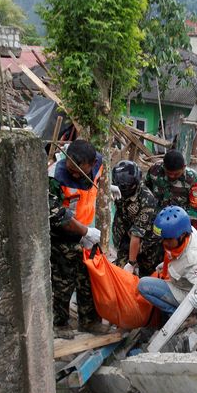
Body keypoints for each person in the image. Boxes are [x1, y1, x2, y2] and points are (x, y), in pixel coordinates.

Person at [49, 139, 105, 336]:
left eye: (78, 171)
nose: (73, 174)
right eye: (70, 169)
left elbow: (96, 185)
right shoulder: (54, 178)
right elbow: (56, 215)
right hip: (62, 236)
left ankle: (89, 321)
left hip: (86, 232)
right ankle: (61, 324)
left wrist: (109, 188)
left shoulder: (98, 165)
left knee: (89, 279)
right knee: (64, 282)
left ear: (91, 163)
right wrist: (85, 232)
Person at [137, 206, 197, 315]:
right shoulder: (186, 230)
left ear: (182, 235)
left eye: (168, 239)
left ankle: (176, 315)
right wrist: (167, 264)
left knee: (143, 285)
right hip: (181, 281)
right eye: (163, 238)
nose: (164, 243)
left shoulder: (194, 260)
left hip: (187, 294)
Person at [111, 160, 163, 277]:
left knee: (147, 274)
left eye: (128, 188)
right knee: (121, 273)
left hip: (148, 241)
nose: (125, 191)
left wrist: (132, 262)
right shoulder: (118, 189)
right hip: (126, 236)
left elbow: (137, 234)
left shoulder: (146, 199)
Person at [144, 150, 197, 218]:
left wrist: (184, 221)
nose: (171, 176)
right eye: (168, 173)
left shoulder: (193, 179)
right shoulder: (154, 170)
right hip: (156, 215)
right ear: (163, 166)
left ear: (184, 167)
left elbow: (195, 208)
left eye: (176, 174)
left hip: (180, 218)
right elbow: (146, 190)